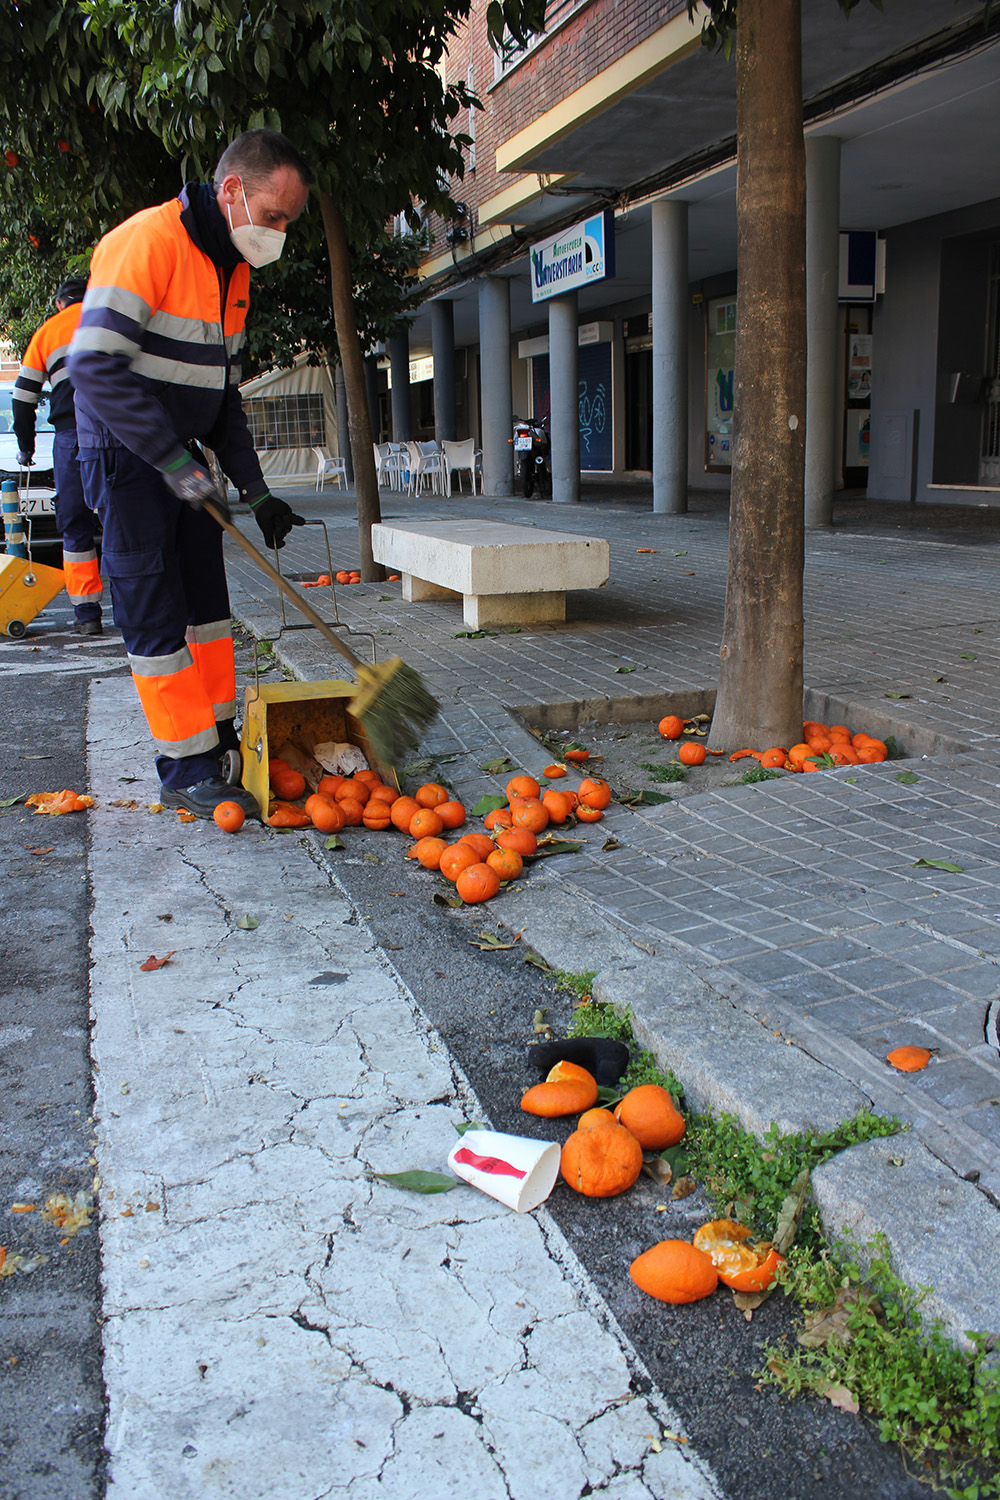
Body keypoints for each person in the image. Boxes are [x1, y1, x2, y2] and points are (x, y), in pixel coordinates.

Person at [68, 129, 312, 818]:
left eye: (288, 222)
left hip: (186, 464)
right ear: (232, 190)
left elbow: (220, 398)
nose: (279, 233)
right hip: (129, 459)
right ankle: (184, 764)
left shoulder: (232, 271)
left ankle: (217, 738)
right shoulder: (147, 242)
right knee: (156, 612)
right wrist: (174, 462)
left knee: (208, 609)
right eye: (274, 216)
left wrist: (258, 491)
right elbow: (94, 366)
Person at [12, 276, 104, 634]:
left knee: (75, 524)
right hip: (119, 428)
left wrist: (26, 447)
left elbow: (23, 399)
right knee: (123, 517)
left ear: (58, 304)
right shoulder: (113, 317)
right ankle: (134, 607)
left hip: (71, 437)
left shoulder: (48, 333)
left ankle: (87, 616)